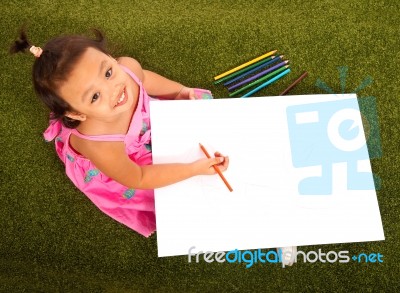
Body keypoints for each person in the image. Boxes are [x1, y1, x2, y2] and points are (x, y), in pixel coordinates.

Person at [10, 29, 229, 238]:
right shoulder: (98, 145)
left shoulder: (127, 68)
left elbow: (143, 79)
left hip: (136, 129)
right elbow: (138, 177)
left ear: (111, 57)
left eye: (107, 72)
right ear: (77, 113)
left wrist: (179, 91)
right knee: (172, 193)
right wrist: (192, 169)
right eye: (94, 96)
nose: (113, 90)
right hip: (121, 161)